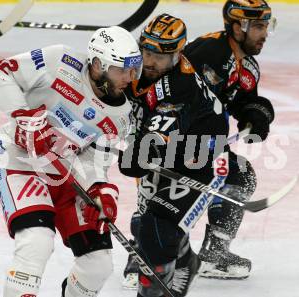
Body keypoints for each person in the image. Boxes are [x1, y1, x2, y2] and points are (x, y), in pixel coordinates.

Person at [0, 26, 142, 297]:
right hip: (19, 163)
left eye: (134, 69)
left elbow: (95, 159)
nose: (130, 77)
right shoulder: (60, 60)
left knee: (98, 265)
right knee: (36, 242)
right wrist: (24, 116)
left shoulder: (122, 115)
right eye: (122, 69)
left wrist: (99, 189)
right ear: (99, 64)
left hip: (67, 174)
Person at [118, 14, 229, 297]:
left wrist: (140, 152)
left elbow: (155, 138)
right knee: (143, 224)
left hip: (202, 160)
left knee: (157, 230)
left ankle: (175, 270)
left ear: (179, 53)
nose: (152, 61)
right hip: (170, 154)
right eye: (147, 51)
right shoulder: (136, 67)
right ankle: (183, 259)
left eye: (162, 56)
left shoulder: (181, 85)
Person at [183, 0, 276, 279]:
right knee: (164, 192)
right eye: (258, 26)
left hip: (207, 147)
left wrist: (256, 114)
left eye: (265, 26)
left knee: (240, 175)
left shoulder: (247, 66)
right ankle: (141, 257)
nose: (264, 34)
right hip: (170, 141)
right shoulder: (208, 51)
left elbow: (243, 101)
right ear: (238, 27)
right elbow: (166, 90)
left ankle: (214, 254)